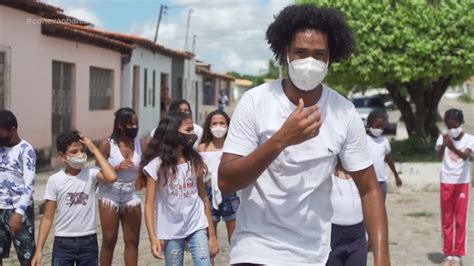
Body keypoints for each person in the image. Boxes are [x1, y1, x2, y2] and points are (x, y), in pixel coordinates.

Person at [218, 4, 389, 265]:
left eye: (319, 55)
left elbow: (369, 189)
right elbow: (226, 181)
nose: (310, 62)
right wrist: (281, 140)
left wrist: (382, 258)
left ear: (330, 58)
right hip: (255, 247)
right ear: (285, 52)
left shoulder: (343, 112)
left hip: (313, 253)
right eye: (300, 52)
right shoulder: (256, 101)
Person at [138, 111, 219, 265]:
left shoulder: (195, 162)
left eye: (193, 129)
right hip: (171, 231)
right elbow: (149, 205)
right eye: (188, 130)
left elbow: (204, 198)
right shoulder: (156, 166)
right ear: (173, 134)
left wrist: (212, 234)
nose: (193, 134)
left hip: (197, 225)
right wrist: (153, 238)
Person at [31, 130, 117, 266]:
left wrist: (94, 149)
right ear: (62, 156)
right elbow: (47, 217)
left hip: (88, 241)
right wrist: (39, 250)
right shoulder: (55, 180)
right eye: (74, 152)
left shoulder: (91, 173)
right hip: (63, 243)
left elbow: (112, 177)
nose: (80, 155)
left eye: (82, 150)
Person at [96, 108, 145, 266]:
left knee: (132, 241)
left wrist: (140, 177)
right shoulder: (107, 144)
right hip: (110, 193)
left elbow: (146, 166)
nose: (134, 127)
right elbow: (97, 172)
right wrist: (116, 167)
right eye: (130, 124)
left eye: (136, 124)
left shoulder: (140, 143)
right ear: (119, 125)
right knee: (109, 239)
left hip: (130, 194)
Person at [197, 110, 239, 262]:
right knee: (210, 238)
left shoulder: (233, 146)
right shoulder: (202, 148)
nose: (218, 127)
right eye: (214, 123)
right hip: (208, 193)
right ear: (209, 126)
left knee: (235, 238)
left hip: (230, 191)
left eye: (222, 123)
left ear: (228, 125)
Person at [435, 109, 473, 266]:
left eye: (455, 125)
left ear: (461, 123)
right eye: (449, 126)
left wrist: (451, 146)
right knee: (447, 219)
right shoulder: (444, 137)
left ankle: (457, 254)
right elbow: (437, 156)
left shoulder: (470, 139)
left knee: (460, 220)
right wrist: (444, 145)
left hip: (462, 183)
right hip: (446, 181)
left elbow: (465, 156)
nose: (452, 129)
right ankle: (448, 253)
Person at [0, 110, 36, 266]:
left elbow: (29, 185)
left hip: (19, 211)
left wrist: (19, 213)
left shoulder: (26, 150)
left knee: (27, 259)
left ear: (12, 130)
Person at [327, 158, 366, 266]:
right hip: (331, 235)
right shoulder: (326, 174)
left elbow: (368, 204)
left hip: (357, 235)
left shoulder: (362, 176)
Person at [366, 110, 403, 199]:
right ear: (370, 124)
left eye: (382, 127)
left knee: (381, 207)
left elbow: (388, 159)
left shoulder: (384, 141)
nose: (380, 129)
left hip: (381, 180)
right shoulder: (363, 140)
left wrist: (396, 175)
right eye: (377, 126)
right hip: (367, 181)